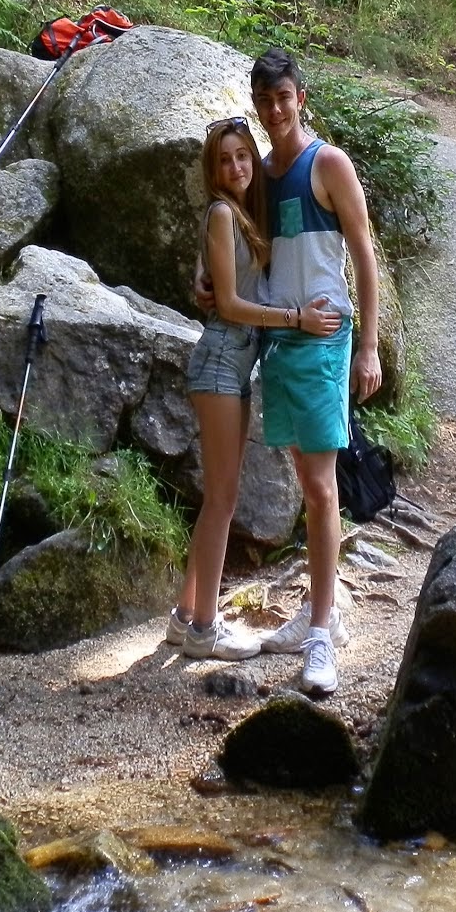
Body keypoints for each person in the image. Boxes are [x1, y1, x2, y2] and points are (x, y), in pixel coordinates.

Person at [165, 115, 341, 660]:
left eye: (244, 156)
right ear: (213, 169)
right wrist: (297, 319)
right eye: (225, 159)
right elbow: (234, 306)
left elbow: (221, 279)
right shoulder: (222, 213)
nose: (238, 166)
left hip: (235, 368)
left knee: (219, 498)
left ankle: (183, 616)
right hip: (220, 362)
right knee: (221, 499)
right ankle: (203, 628)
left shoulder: (241, 213)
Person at [245, 48, 382, 697]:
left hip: (326, 338)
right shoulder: (262, 172)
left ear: (301, 97)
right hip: (281, 336)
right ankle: (316, 605)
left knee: (323, 487)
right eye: (265, 101)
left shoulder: (328, 163)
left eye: (284, 98)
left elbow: (363, 252)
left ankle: (325, 631)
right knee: (306, 479)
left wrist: (370, 347)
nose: (275, 110)